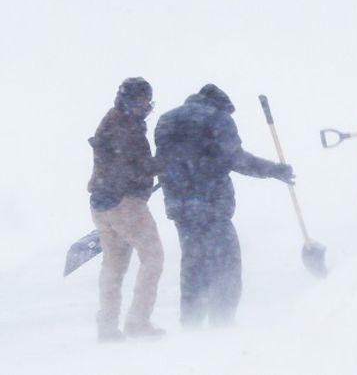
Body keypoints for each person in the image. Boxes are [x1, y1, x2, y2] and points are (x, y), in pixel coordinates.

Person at [153, 84, 294, 328]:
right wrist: (273, 170)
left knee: (193, 267)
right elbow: (236, 159)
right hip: (211, 205)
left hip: (180, 208)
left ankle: (190, 325)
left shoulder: (166, 120)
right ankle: (222, 326)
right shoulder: (217, 118)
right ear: (220, 105)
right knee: (226, 266)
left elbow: (165, 163)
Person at [87, 77, 165, 342]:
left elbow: (122, 164)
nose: (145, 107)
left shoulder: (111, 121)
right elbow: (138, 166)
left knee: (113, 267)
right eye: (143, 102)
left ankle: (107, 327)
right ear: (130, 100)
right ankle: (138, 322)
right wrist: (166, 163)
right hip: (125, 203)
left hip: (100, 203)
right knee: (153, 258)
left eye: (147, 102)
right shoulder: (126, 128)